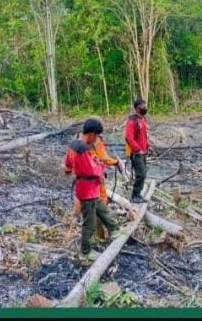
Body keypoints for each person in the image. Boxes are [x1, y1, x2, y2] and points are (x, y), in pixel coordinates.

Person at [64, 118, 119, 262]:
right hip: (87, 189)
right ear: (92, 135)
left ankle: (114, 229)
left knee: (101, 207)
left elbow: (68, 164)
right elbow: (92, 170)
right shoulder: (84, 150)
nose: (96, 141)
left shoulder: (73, 145)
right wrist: (102, 167)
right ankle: (85, 251)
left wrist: (69, 170)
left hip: (89, 189)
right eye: (96, 137)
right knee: (89, 223)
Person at [125, 98, 151, 203]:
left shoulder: (143, 120)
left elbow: (144, 136)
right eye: (143, 107)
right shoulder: (132, 121)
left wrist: (148, 146)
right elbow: (128, 137)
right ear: (137, 108)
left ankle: (138, 194)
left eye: (145, 107)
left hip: (143, 151)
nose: (145, 109)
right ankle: (134, 195)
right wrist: (137, 149)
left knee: (143, 173)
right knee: (141, 174)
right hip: (136, 153)